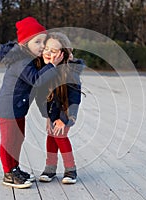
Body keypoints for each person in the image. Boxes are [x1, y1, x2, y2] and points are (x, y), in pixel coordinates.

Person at [0, 17, 64, 189]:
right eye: (37, 41)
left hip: (18, 109)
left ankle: (15, 168)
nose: (41, 45)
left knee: (18, 139)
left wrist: (47, 114)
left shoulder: (30, 59)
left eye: (43, 41)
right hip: (8, 109)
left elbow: (39, 91)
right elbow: (36, 80)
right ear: (24, 43)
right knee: (9, 141)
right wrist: (52, 67)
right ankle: (8, 173)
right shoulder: (20, 61)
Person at [36, 32, 85, 184]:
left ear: (63, 54)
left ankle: (71, 169)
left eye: (54, 51)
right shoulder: (44, 69)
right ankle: (50, 168)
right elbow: (41, 97)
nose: (49, 53)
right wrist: (48, 117)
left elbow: (74, 100)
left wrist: (64, 119)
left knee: (60, 136)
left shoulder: (70, 73)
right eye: (47, 49)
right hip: (52, 111)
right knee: (51, 136)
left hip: (67, 112)